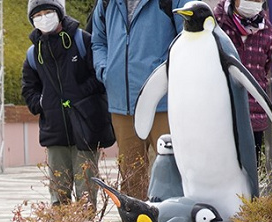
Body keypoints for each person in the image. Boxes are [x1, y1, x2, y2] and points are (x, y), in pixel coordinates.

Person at [22, 0, 115, 207]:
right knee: (58, 190)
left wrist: (79, 94)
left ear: (59, 13)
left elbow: (100, 76)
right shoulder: (33, 54)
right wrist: (42, 102)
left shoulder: (83, 41)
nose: (43, 18)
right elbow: (29, 89)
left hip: (86, 126)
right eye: (38, 14)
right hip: (54, 130)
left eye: (48, 12)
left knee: (86, 189)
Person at [91, 0, 185, 200]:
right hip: (122, 105)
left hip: (162, 102)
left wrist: (168, 73)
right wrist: (105, 71)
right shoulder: (106, 3)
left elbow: (186, 39)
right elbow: (98, 41)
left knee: (171, 170)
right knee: (131, 177)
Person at [213, 0, 272, 163]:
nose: (253, 3)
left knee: (249, 174)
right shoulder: (216, 23)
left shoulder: (266, 28)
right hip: (220, 116)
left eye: (258, 0)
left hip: (254, 117)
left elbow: (267, 66)